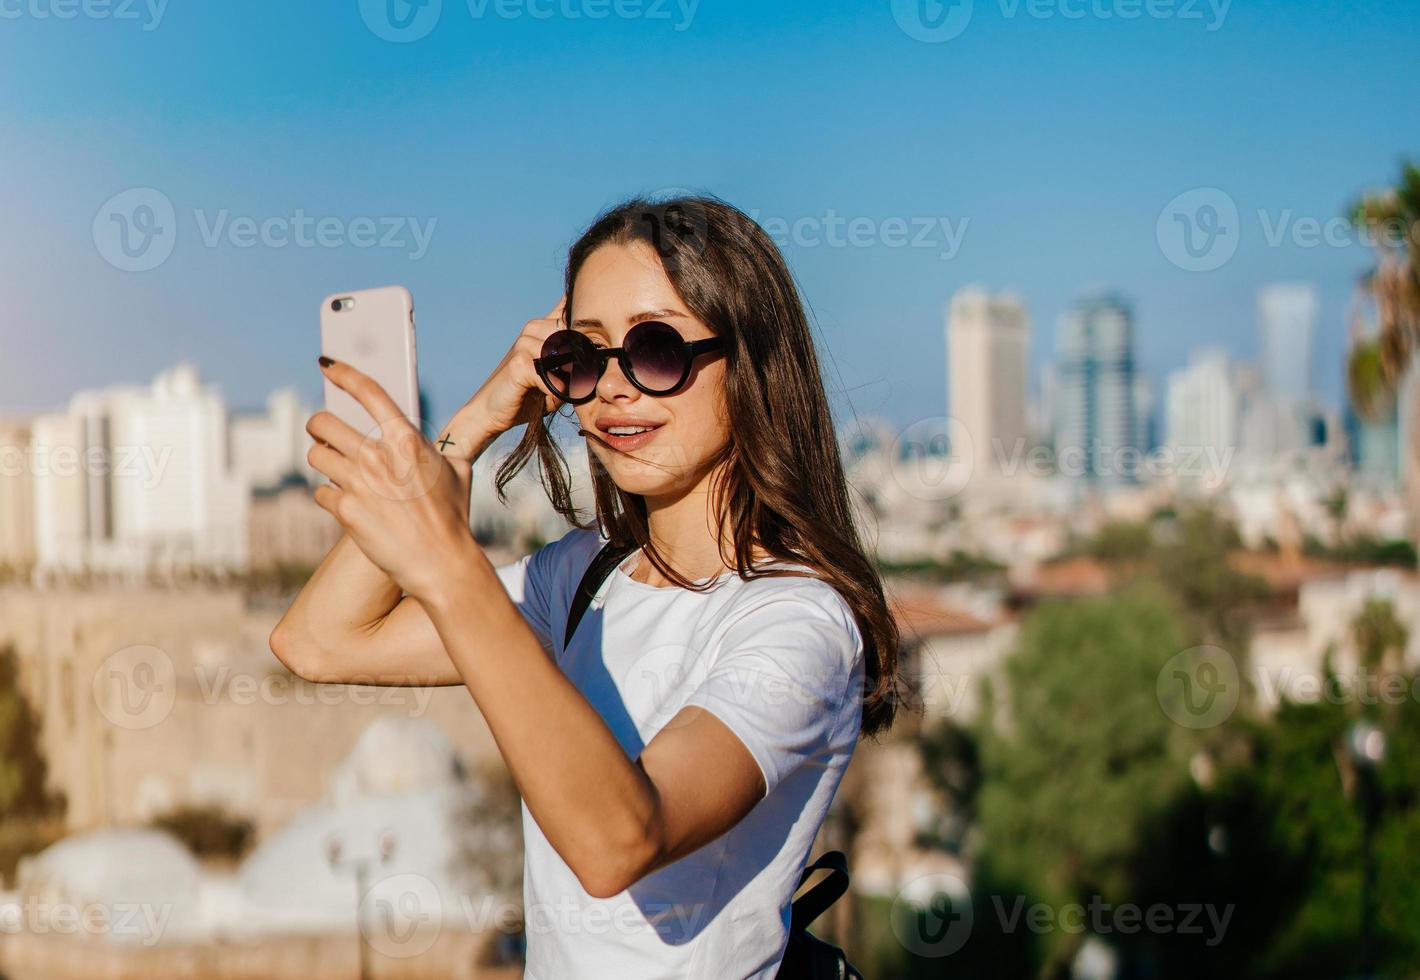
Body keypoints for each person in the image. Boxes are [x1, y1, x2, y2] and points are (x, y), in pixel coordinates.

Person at [270, 195, 902, 979]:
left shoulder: (796, 618)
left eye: (657, 349)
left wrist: (446, 562)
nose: (611, 388)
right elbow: (320, 642)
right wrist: (472, 426)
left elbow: (618, 842)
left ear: (752, 367)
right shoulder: (580, 575)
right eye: (583, 354)